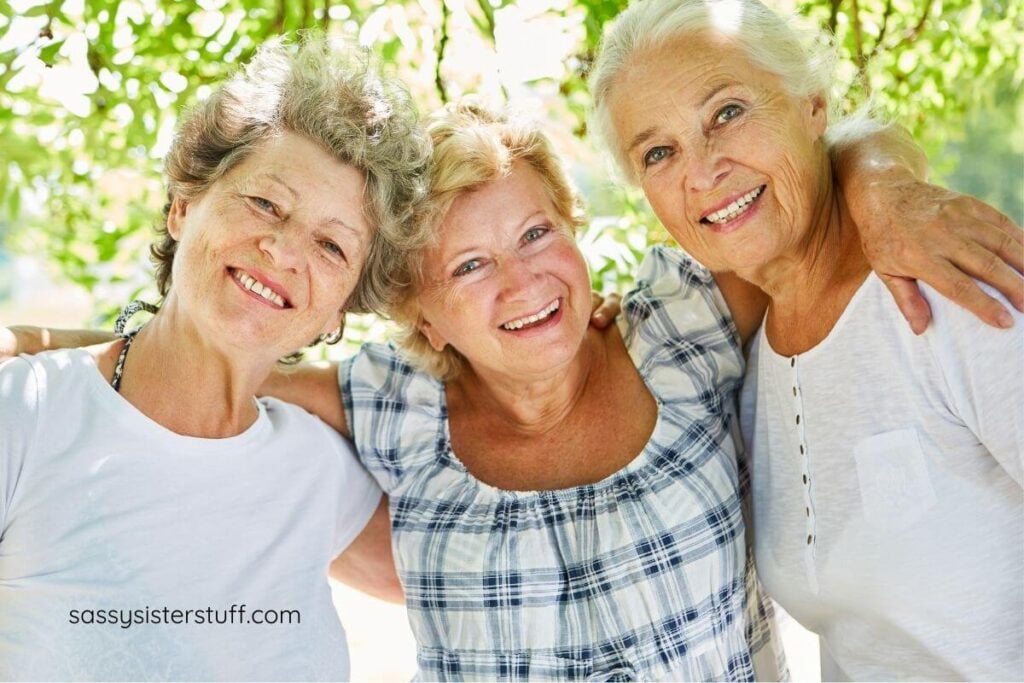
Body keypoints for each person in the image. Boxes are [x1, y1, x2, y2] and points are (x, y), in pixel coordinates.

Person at [589, 0, 1023, 679]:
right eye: (659, 152)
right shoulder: (747, 354)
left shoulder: (947, 288)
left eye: (727, 112)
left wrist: (880, 174)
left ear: (811, 104)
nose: (701, 172)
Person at [0, 36, 430, 681]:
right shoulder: (26, 411)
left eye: (332, 247)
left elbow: (479, 573)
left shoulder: (322, 471)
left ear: (341, 308)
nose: (284, 251)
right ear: (183, 205)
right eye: (264, 203)